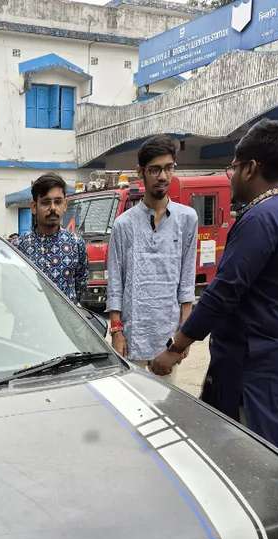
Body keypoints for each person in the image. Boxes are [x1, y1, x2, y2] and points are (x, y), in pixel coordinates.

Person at [151, 120, 278, 456]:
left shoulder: (259, 219)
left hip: (248, 367)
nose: (231, 176)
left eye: (234, 167)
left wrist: (176, 347)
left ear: (251, 168)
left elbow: (223, 292)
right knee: (269, 454)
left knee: (244, 462)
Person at [106, 135, 198, 381]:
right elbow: (115, 282)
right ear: (142, 173)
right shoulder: (123, 224)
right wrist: (117, 332)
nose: (163, 176)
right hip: (132, 338)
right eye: (155, 169)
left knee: (164, 409)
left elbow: (187, 283)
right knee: (130, 411)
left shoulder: (187, 219)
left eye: (168, 168)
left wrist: (183, 336)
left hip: (167, 340)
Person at [15, 174, 88, 303]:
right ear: (33, 207)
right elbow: (13, 290)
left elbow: (80, 286)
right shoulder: (19, 247)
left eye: (58, 202)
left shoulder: (76, 243)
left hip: (66, 322)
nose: (53, 208)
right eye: (46, 202)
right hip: (29, 320)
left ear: (65, 205)